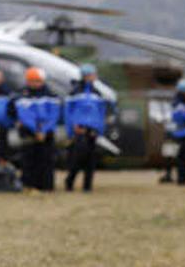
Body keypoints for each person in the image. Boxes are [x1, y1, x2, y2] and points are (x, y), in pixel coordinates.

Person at [63, 64, 112, 192]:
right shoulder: (74, 92)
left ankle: (87, 185)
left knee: (91, 159)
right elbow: (68, 112)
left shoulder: (97, 93)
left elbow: (101, 112)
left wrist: (100, 129)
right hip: (79, 128)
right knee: (78, 157)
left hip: (93, 129)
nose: (93, 77)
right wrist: (70, 130)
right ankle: (70, 181)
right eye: (90, 75)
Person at [11, 67, 59, 192]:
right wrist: (35, 129)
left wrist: (44, 130)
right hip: (28, 131)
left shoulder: (51, 95)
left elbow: (53, 115)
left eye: (37, 81)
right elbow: (23, 114)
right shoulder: (21, 95)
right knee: (29, 159)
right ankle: (28, 185)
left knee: (46, 159)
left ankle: (46, 186)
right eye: (31, 81)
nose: (34, 83)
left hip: (47, 132)